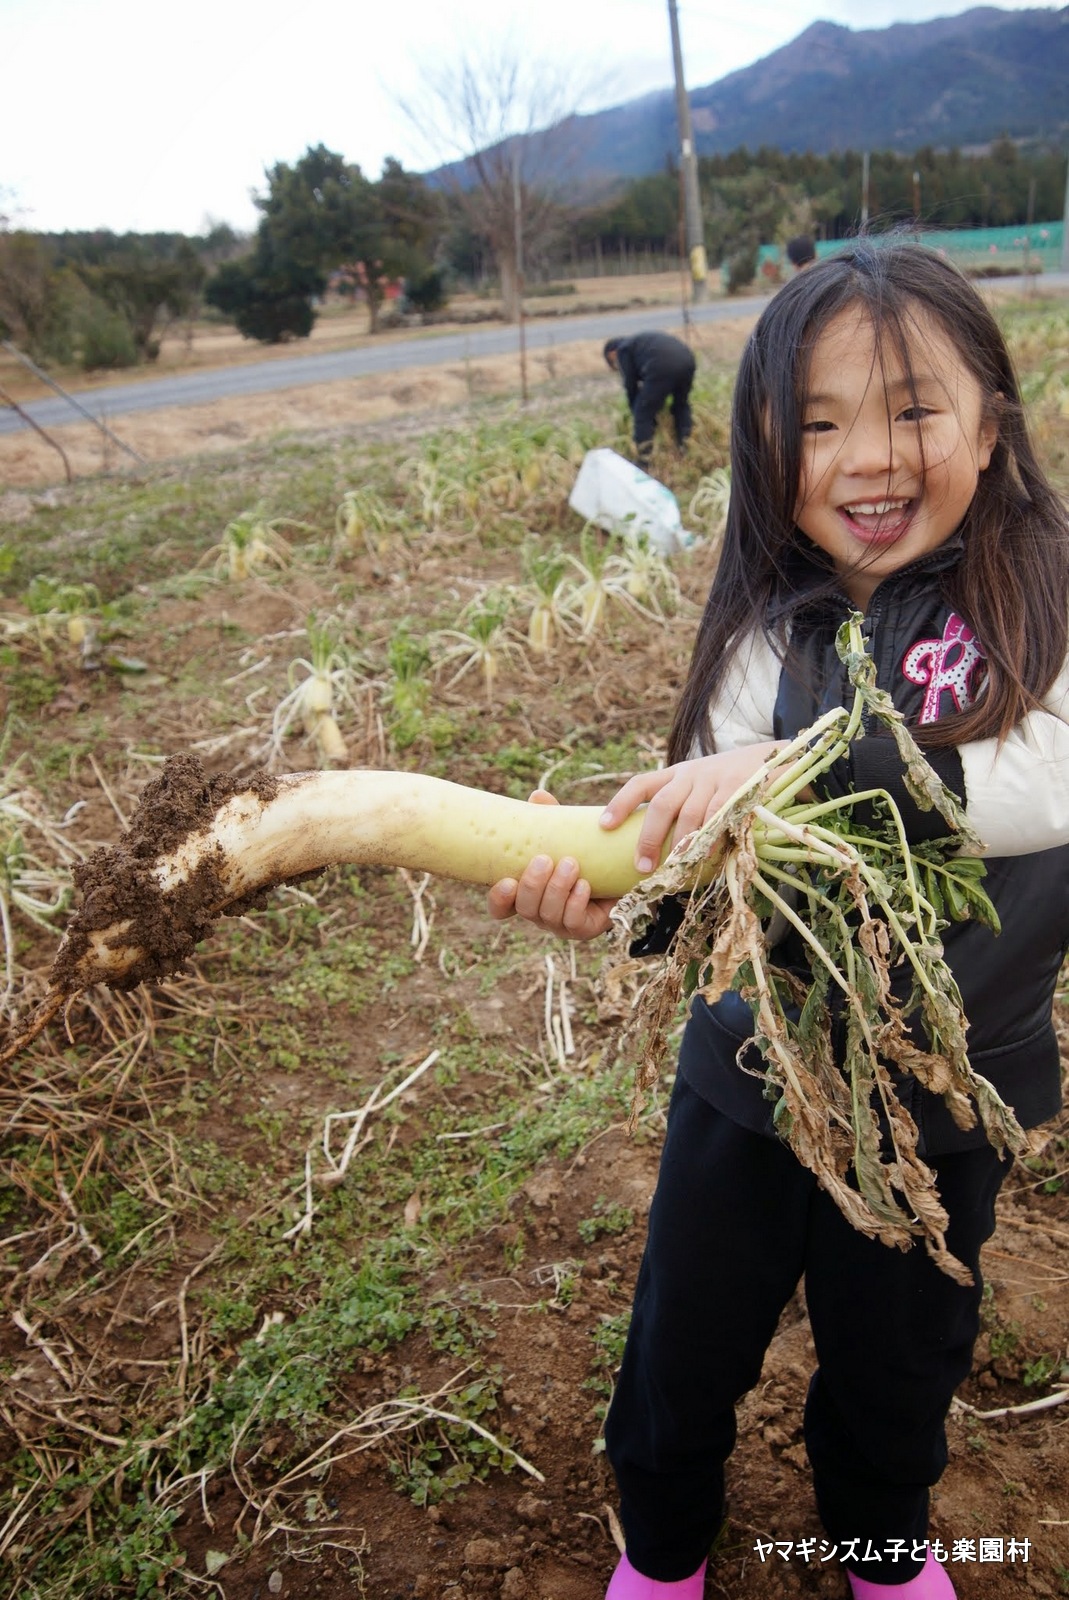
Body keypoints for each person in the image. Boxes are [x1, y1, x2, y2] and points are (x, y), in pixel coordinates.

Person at [490, 242, 1069, 1600]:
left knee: (898, 1364)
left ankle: (879, 1550)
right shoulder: (763, 614)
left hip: (946, 1079)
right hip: (752, 1069)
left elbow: (1046, 776)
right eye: (817, 424)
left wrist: (807, 765)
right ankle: (664, 1550)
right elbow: (704, 852)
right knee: (680, 1345)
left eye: (912, 411)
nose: (867, 458)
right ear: (763, 447)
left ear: (991, 421)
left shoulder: (1040, 589)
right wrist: (609, 891)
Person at [604, 331, 697, 463]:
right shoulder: (639, 344)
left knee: (642, 412)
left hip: (662, 365)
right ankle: (685, 447)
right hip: (687, 359)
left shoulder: (623, 350)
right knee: (680, 405)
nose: (617, 368)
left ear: (612, 354)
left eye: (614, 365)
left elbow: (631, 386)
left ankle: (644, 459)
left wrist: (637, 412)